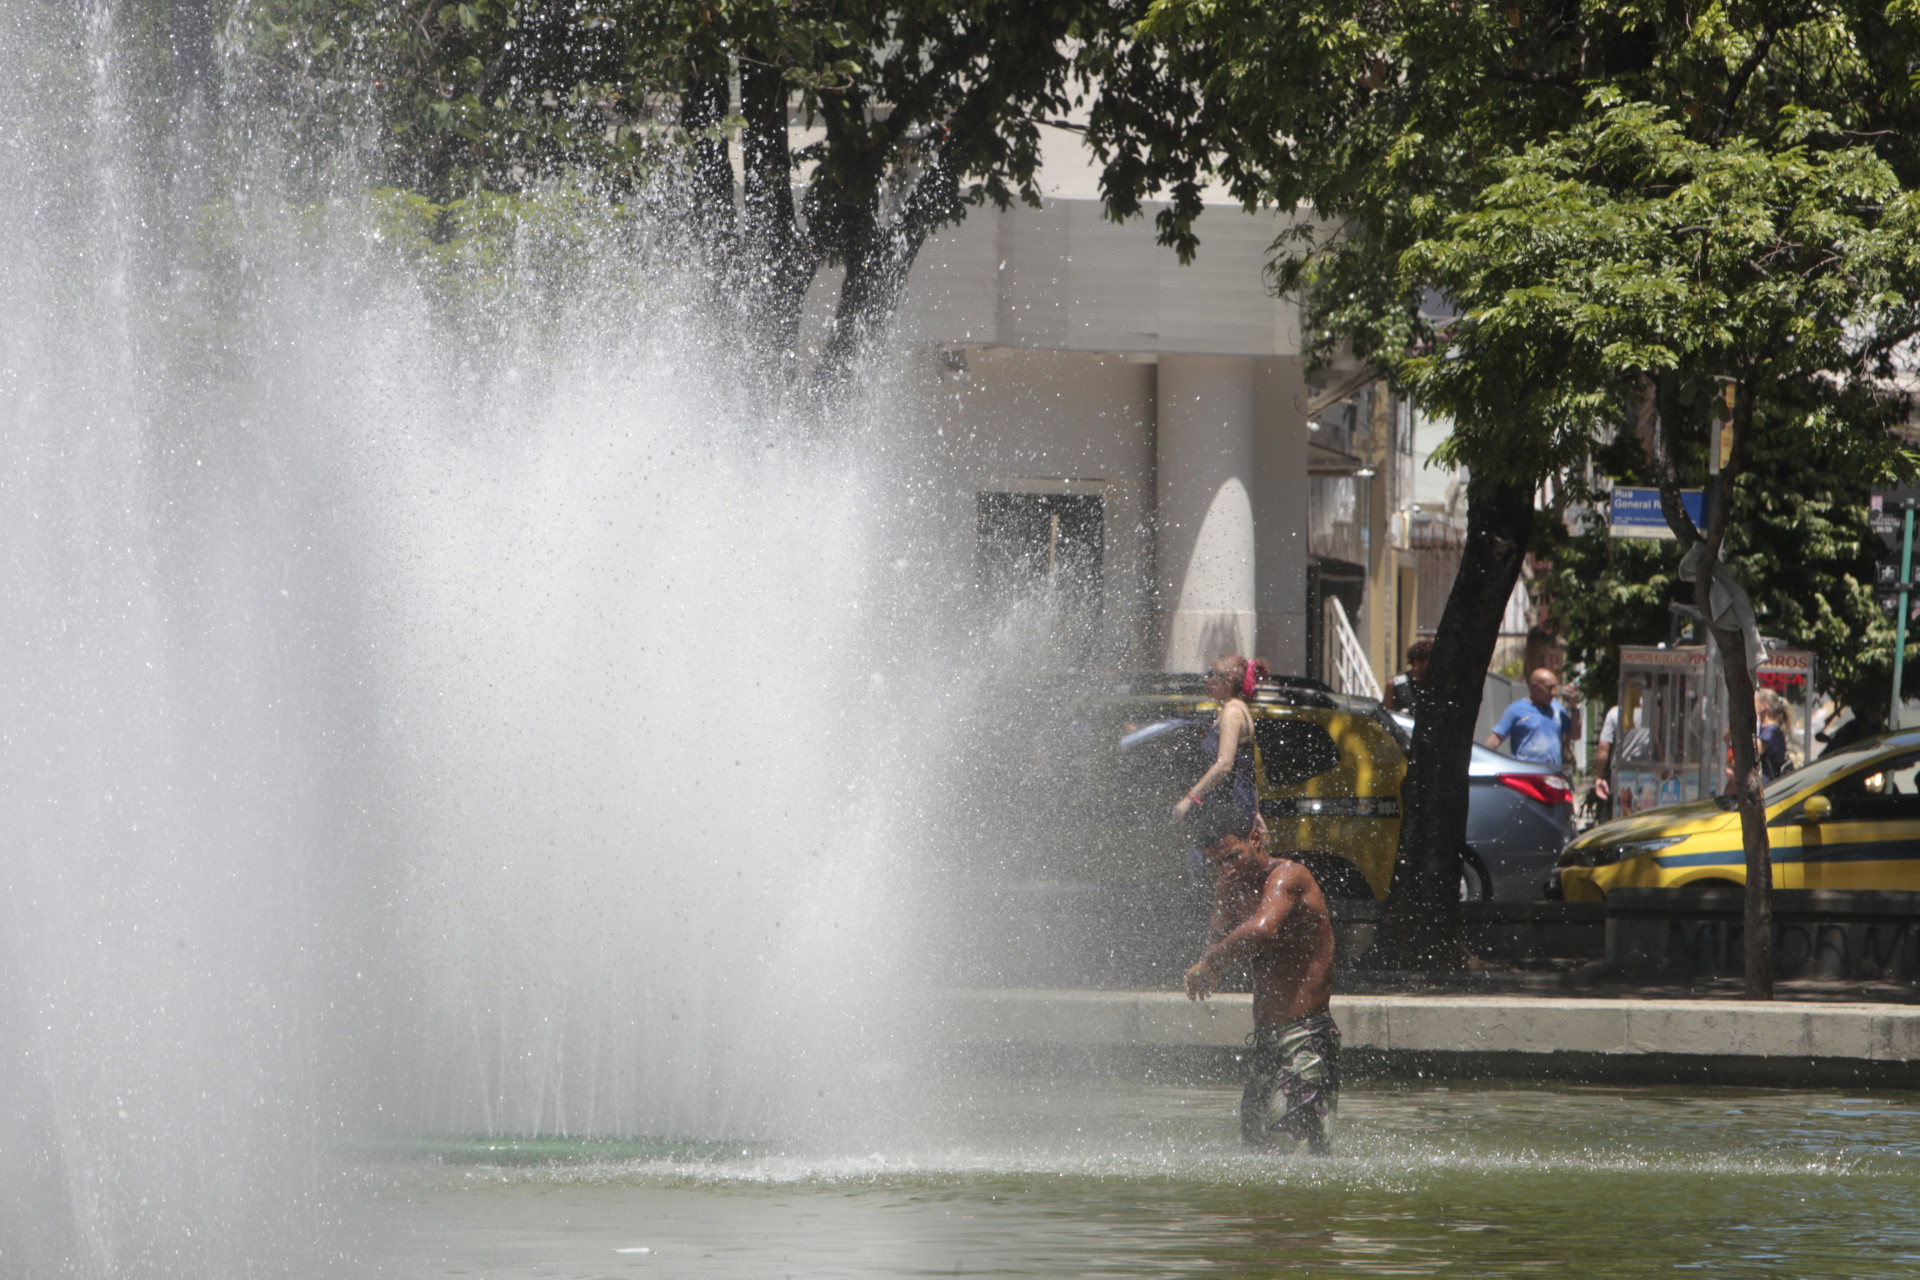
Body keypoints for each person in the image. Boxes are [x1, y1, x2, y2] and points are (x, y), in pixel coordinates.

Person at [1182, 803, 1339, 1154]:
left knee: (1298, 1157)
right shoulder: (1230, 887)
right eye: (1217, 864)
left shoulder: (1288, 877)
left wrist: (1210, 961)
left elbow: (1264, 930)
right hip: (1267, 1041)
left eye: (1233, 857)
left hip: (1306, 1037)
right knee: (1256, 1150)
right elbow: (1219, 937)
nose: (1226, 870)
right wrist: (1212, 966)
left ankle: (1317, 1210)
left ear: (1256, 838)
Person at [1174, 655, 1268, 882]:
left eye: (1211, 674)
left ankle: (1207, 916)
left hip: (1227, 811)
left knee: (1204, 873)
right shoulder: (1235, 709)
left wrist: (1190, 798)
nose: (1205, 679)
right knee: (1221, 876)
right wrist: (1255, 810)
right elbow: (1247, 766)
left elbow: (1225, 764)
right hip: (1234, 806)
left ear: (1227, 681)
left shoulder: (1233, 712)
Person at [1483, 668, 1575, 768]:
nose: (1553, 692)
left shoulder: (1557, 708)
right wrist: (1483, 763)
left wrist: (1575, 708)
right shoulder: (1516, 710)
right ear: (1534, 686)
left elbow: (1575, 735)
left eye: (1555, 687)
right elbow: (1495, 739)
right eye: (1549, 688)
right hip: (1526, 773)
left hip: (1552, 773)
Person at [1384, 640, 1432, 717]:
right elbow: (1386, 714)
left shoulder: (1434, 685)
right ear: (1417, 662)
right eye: (1429, 662)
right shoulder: (1395, 683)